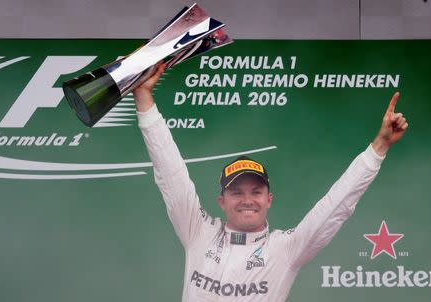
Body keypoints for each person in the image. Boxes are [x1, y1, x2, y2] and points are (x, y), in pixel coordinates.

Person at [132, 62, 408, 302]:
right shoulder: (198, 231)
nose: (247, 200)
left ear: (269, 199)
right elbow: (171, 173)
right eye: (237, 192)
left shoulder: (285, 249)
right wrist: (144, 99)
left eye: (256, 191)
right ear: (222, 201)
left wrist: (378, 148)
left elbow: (336, 206)